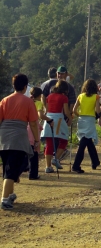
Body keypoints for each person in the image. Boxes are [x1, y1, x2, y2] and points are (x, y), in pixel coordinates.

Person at [0, 74, 39, 210]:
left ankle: (10, 195)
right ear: (25, 87)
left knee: (8, 167)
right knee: (12, 170)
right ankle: (4, 199)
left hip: (4, 137)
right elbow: (33, 124)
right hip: (18, 138)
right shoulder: (28, 102)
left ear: (13, 86)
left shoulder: (4, 100)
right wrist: (37, 140)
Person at [42, 66, 76, 161]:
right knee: (60, 140)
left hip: (54, 117)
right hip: (56, 117)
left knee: (52, 141)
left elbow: (72, 101)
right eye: (58, 73)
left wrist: (69, 116)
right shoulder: (50, 84)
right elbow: (43, 97)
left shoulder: (68, 86)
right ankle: (55, 159)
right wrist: (45, 108)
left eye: (62, 73)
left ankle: (51, 162)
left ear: (66, 74)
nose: (60, 75)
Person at [41, 80, 72, 173]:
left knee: (49, 143)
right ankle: (56, 158)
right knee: (64, 140)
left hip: (48, 118)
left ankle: (48, 166)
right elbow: (66, 111)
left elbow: (46, 109)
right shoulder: (64, 97)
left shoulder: (49, 96)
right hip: (58, 119)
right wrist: (70, 118)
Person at [72, 79, 101, 173]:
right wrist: (99, 115)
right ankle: (76, 165)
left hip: (81, 120)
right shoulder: (96, 97)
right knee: (84, 143)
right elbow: (97, 110)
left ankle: (95, 161)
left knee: (87, 141)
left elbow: (74, 110)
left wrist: (79, 115)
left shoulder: (80, 96)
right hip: (90, 120)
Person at [25, 87, 53, 180]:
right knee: (35, 151)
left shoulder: (27, 102)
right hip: (33, 127)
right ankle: (33, 174)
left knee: (26, 149)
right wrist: (49, 119)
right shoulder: (38, 103)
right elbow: (40, 115)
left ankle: (25, 168)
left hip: (24, 126)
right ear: (40, 95)